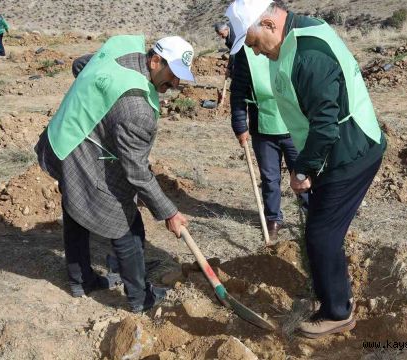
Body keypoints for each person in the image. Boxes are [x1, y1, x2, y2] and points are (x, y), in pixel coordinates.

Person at [226, 0, 387, 338]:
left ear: (269, 24)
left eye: (254, 43)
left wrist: (303, 170)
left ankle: (337, 312)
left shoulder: (308, 57)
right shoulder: (296, 33)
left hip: (349, 152)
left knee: (320, 235)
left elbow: (326, 128)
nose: (254, 53)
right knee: (322, 230)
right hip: (343, 147)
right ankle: (333, 293)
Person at [36, 35, 194, 313]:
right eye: (172, 75)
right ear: (155, 60)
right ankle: (139, 299)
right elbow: (136, 171)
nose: (176, 84)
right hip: (79, 147)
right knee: (126, 223)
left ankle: (81, 280)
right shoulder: (137, 109)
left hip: (64, 136)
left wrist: (96, 104)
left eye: (181, 77)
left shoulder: (121, 47)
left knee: (75, 206)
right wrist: (168, 212)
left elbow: (81, 64)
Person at [230, 44, 307, 241]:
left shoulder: (292, 45)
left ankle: (311, 214)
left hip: (293, 127)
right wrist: (240, 126)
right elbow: (238, 91)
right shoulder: (244, 54)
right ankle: (273, 218)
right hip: (263, 128)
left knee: (302, 174)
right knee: (270, 178)